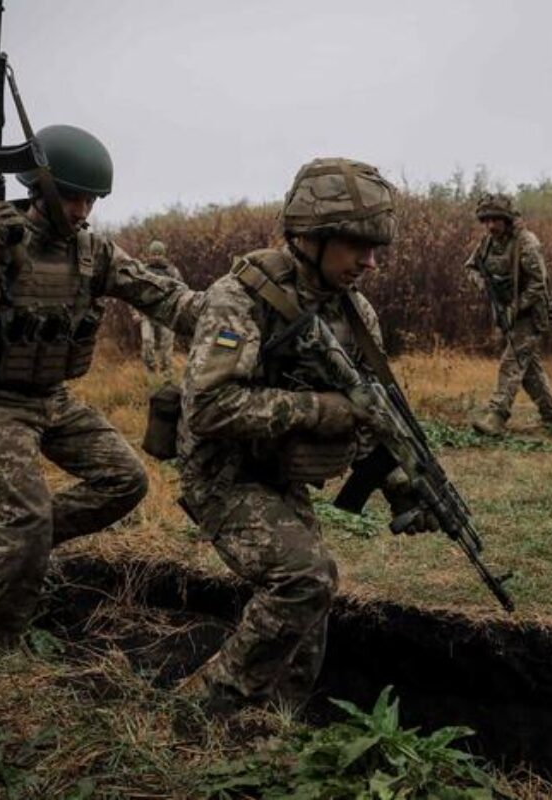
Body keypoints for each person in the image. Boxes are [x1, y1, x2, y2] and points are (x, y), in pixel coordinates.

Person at [176, 157, 435, 714]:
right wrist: (322, 410)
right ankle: (204, 709)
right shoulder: (238, 298)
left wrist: (398, 479)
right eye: (355, 245)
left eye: (376, 248)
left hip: (280, 477)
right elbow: (210, 407)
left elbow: (368, 412)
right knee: (304, 578)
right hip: (222, 475)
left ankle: (276, 722)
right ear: (310, 237)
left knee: (314, 598)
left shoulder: (355, 312)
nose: (370, 261)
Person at [0, 124, 203, 652]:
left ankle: (5, 546)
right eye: (71, 197)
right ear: (38, 189)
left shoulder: (94, 252)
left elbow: (166, 298)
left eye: (91, 200)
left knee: (125, 480)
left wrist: (232, 317)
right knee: (29, 516)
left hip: (52, 398)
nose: (82, 211)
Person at [464, 193, 552, 435]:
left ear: (506, 219)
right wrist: (483, 284)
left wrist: (515, 307)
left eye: (495, 220)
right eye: (485, 221)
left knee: (511, 363)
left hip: (530, 314)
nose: (490, 226)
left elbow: (539, 284)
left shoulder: (526, 243)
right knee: (528, 370)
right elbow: (471, 267)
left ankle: (496, 417)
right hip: (507, 313)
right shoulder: (487, 244)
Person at [136, 240, 184, 375]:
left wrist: (178, 310)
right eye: (153, 254)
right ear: (149, 255)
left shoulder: (172, 271)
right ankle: (150, 370)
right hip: (146, 312)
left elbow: (181, 291)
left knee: (166, 345)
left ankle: (166, 371)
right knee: (147, 341)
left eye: (159, 254)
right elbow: (133, 291)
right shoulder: (142, 271)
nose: (156, 257)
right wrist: (135, 312)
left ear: (164, 255)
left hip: (167, 313)